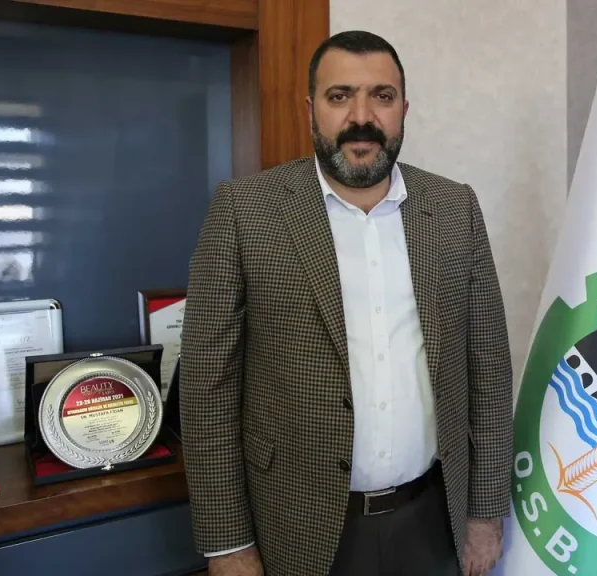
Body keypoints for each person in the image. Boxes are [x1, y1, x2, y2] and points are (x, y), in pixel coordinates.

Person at [179, 30, 514, 576]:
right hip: (297, 529)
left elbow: (490, 370)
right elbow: (206, 390)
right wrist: (227, 543)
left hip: (434, 521)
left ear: (404, 109)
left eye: (382, 96)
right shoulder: (244, 211)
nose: (362, 117)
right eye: (340, 97)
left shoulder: (455, 209)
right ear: (311, 110)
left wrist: (486, 512)